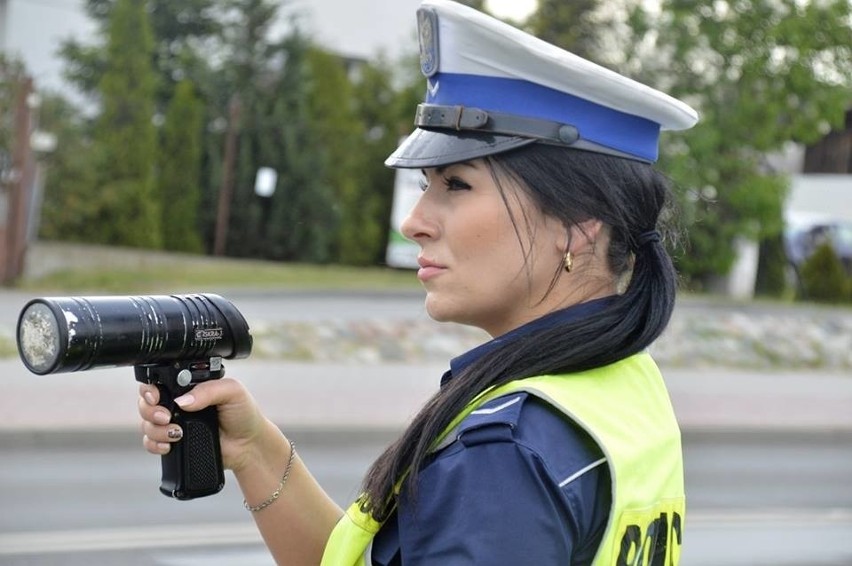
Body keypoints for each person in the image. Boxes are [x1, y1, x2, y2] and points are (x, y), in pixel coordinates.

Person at [138, 0, 698, 564]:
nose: (414, 222)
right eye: (427, 184)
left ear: (577, 228)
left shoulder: (502, 455)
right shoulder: (620, 387)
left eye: (456, 185)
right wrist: (255, 450)